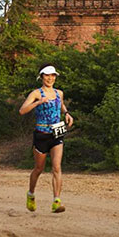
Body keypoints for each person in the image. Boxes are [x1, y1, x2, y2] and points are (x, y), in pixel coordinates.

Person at [19, 64, 74, 213]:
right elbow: (22, 110)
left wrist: (67, 113)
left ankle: (56, 201)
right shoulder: (36, 93)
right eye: (47, 76)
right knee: (39, 168)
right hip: (41, 134)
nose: (50, 78)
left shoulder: (59, 93)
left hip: (56, 132)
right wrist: (37, 103)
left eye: (52, 76)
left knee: (57, 167)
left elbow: (61, 105)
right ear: (42, 77)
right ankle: (31, 194)